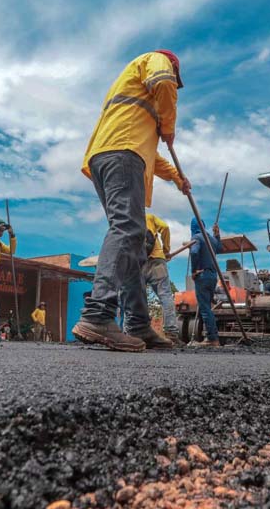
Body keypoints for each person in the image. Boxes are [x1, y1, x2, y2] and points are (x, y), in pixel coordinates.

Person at [72, 50, 191, 352]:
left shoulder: (134, 115)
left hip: (110, 156)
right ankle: (98, 314)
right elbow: (163, 81)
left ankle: (138, 324)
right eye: (177, 81)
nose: (174, 86)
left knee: (134, 244)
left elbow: (154, 158)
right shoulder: (155, 60)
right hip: (122, 156)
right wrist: (169, 127)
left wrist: (178, 179)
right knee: (127, 229)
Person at [144, 212, 180, 345]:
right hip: (157, 260)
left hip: (138, 262)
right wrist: (166, 250)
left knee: (136, 297)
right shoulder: (149, 217)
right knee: (165, 296)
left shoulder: (128, 219)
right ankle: (171, 332)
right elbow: (165, 227)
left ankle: (133, 331)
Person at [189, 218, 222, 347]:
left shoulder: (196, 237)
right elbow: (219, 249)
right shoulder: (212, 239)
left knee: (205, 308)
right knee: (208, 307)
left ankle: (212, 338)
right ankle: (212, 337)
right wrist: (217, 235)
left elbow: (194, 252)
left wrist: (194, 270)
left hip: (202, 275)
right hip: (213, 276)